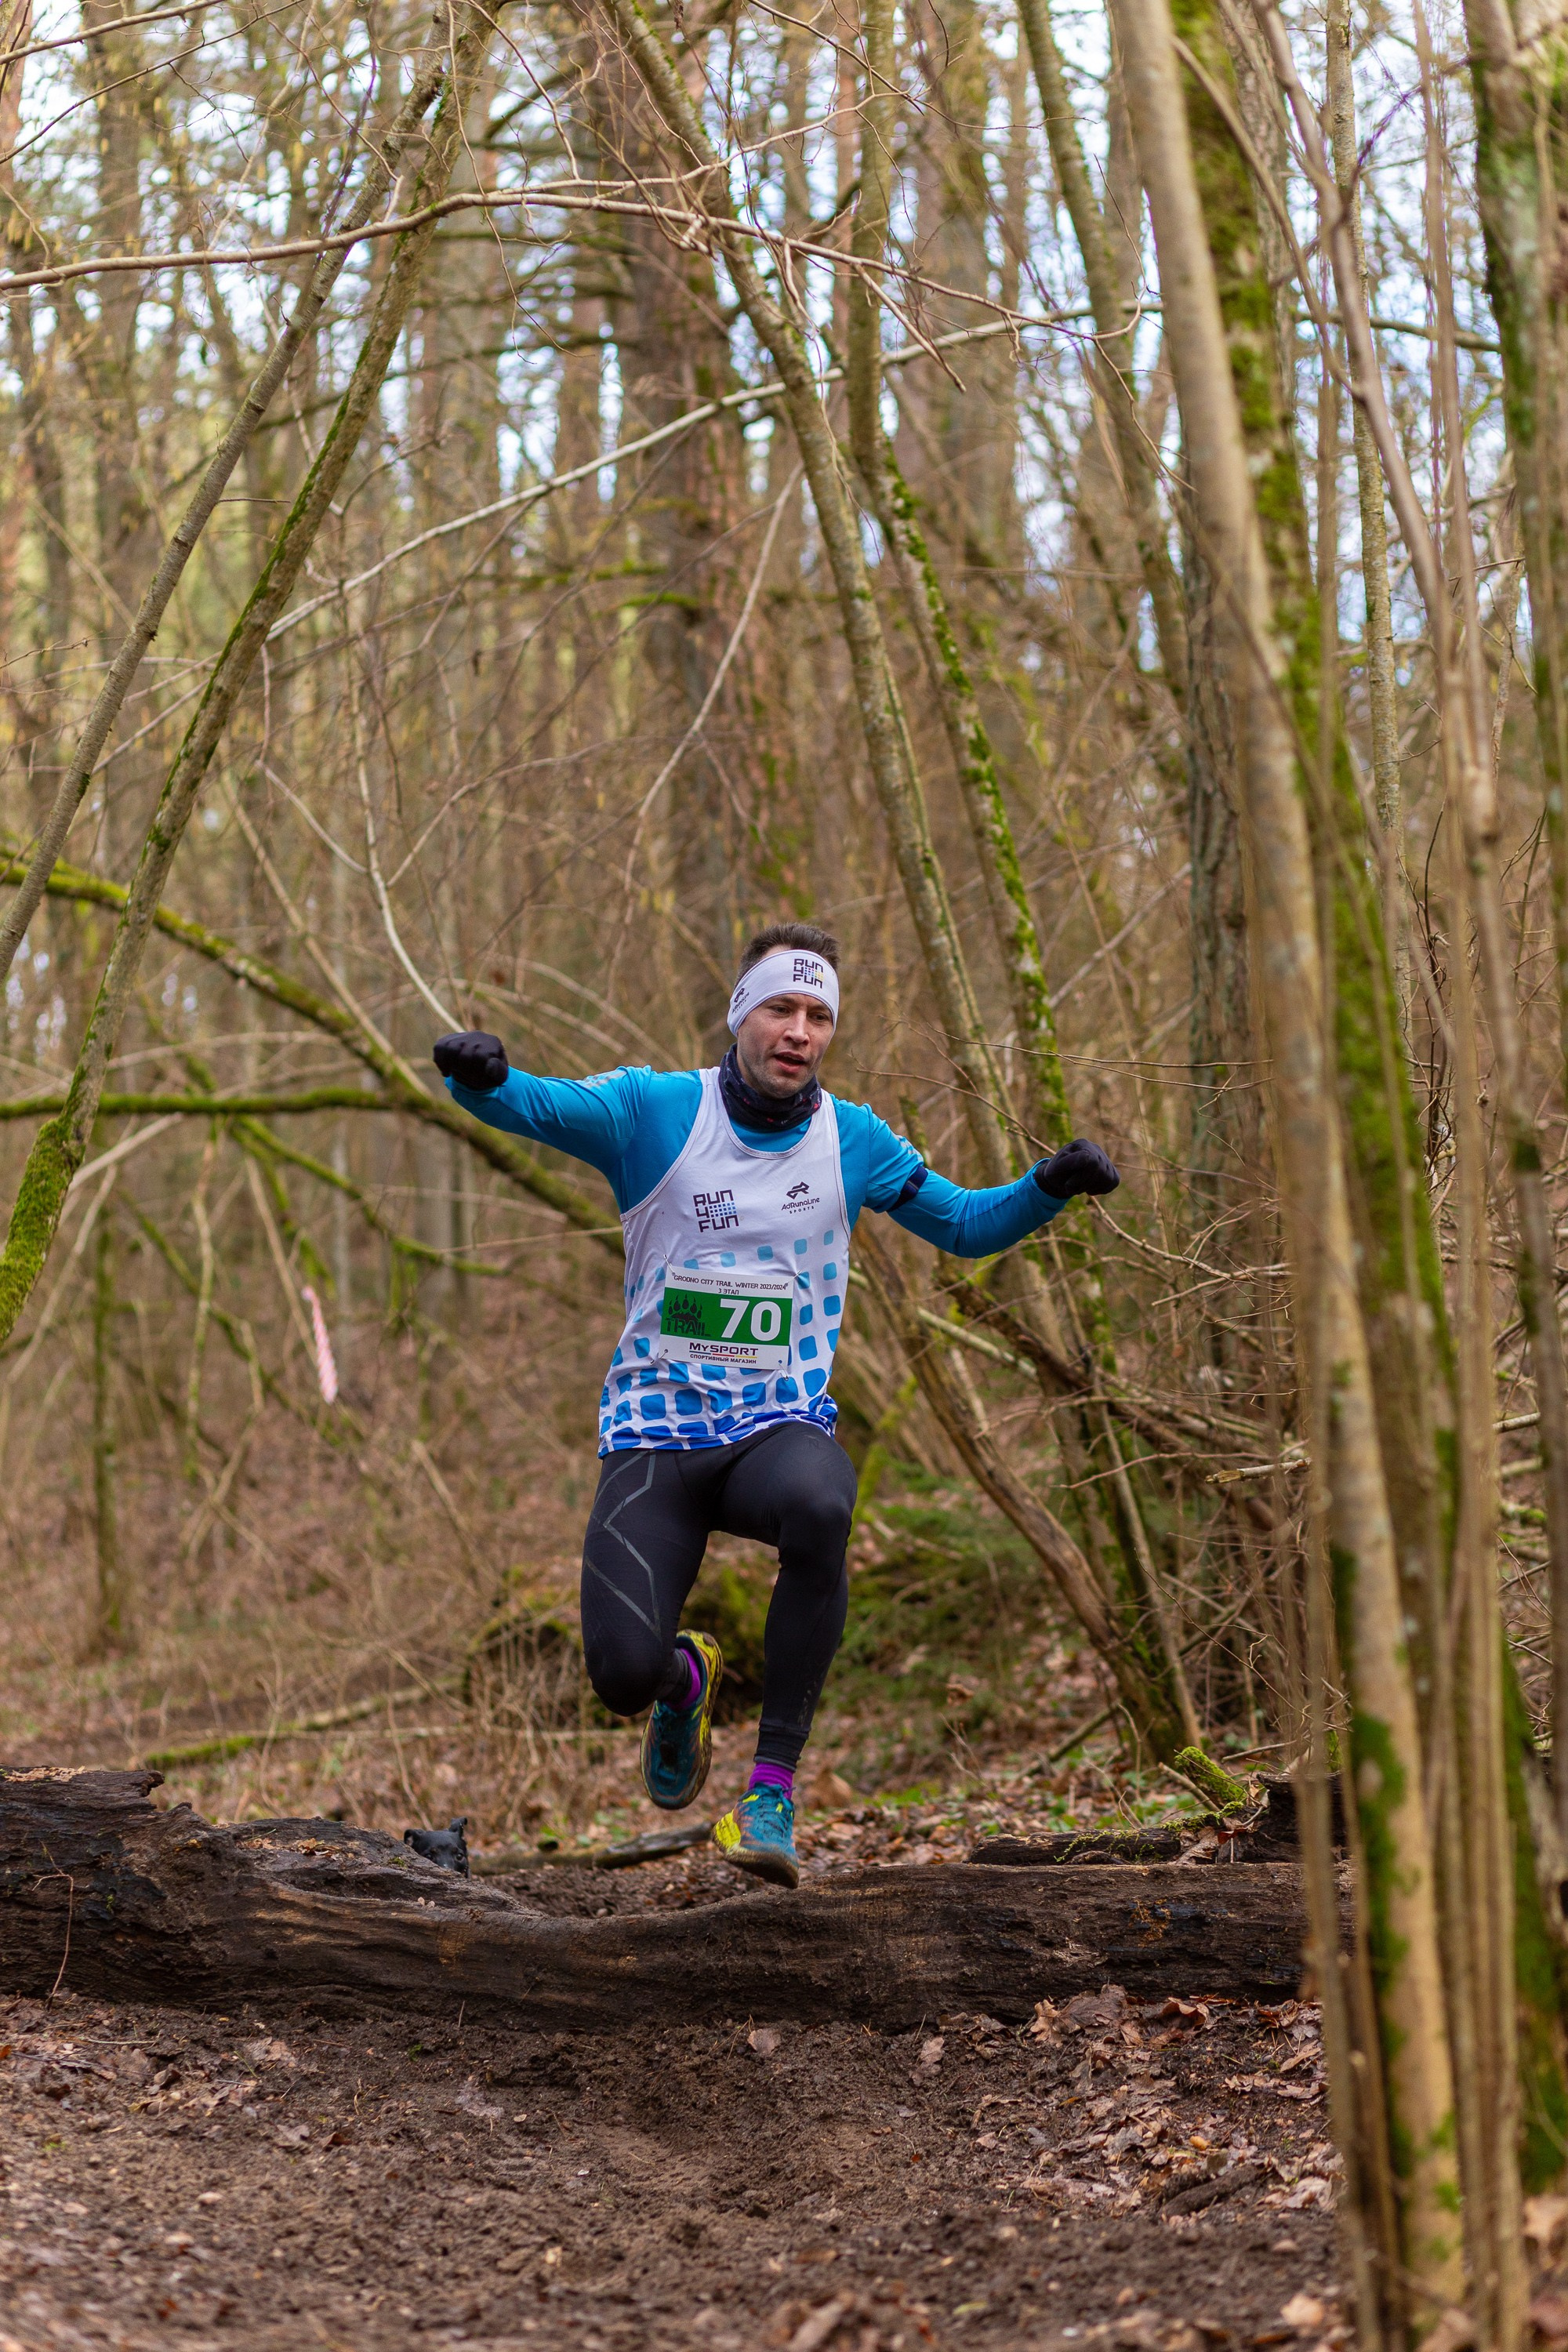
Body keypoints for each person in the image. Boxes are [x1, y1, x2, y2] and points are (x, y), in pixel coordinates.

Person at [434, 921, 1119, 1889]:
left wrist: (1047, 1186)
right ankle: (688, 1680)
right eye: (781, 1008)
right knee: (622, 1677)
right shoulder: (652, 1111)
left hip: (774, 1428)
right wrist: (481, 1076)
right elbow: (534, 1108)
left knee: (822, 1504)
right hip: (654, 1438)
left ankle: (769, 1793)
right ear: (739, 1015)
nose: (799, 1031)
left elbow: (964, 1225)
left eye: (818, 1015)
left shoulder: (856, 1141)